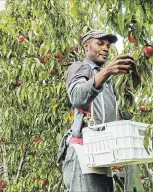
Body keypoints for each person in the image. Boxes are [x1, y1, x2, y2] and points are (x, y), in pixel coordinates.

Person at [57, 30, 136, 191]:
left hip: (102, 154)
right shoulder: (80, 67)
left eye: (108, 45)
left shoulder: (107, 80)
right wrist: (107, 71)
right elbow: (77, 97)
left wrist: (132, 83)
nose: (106, 48)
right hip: (83, 153)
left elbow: (123, 114)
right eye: (100, 43)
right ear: (87, 46)